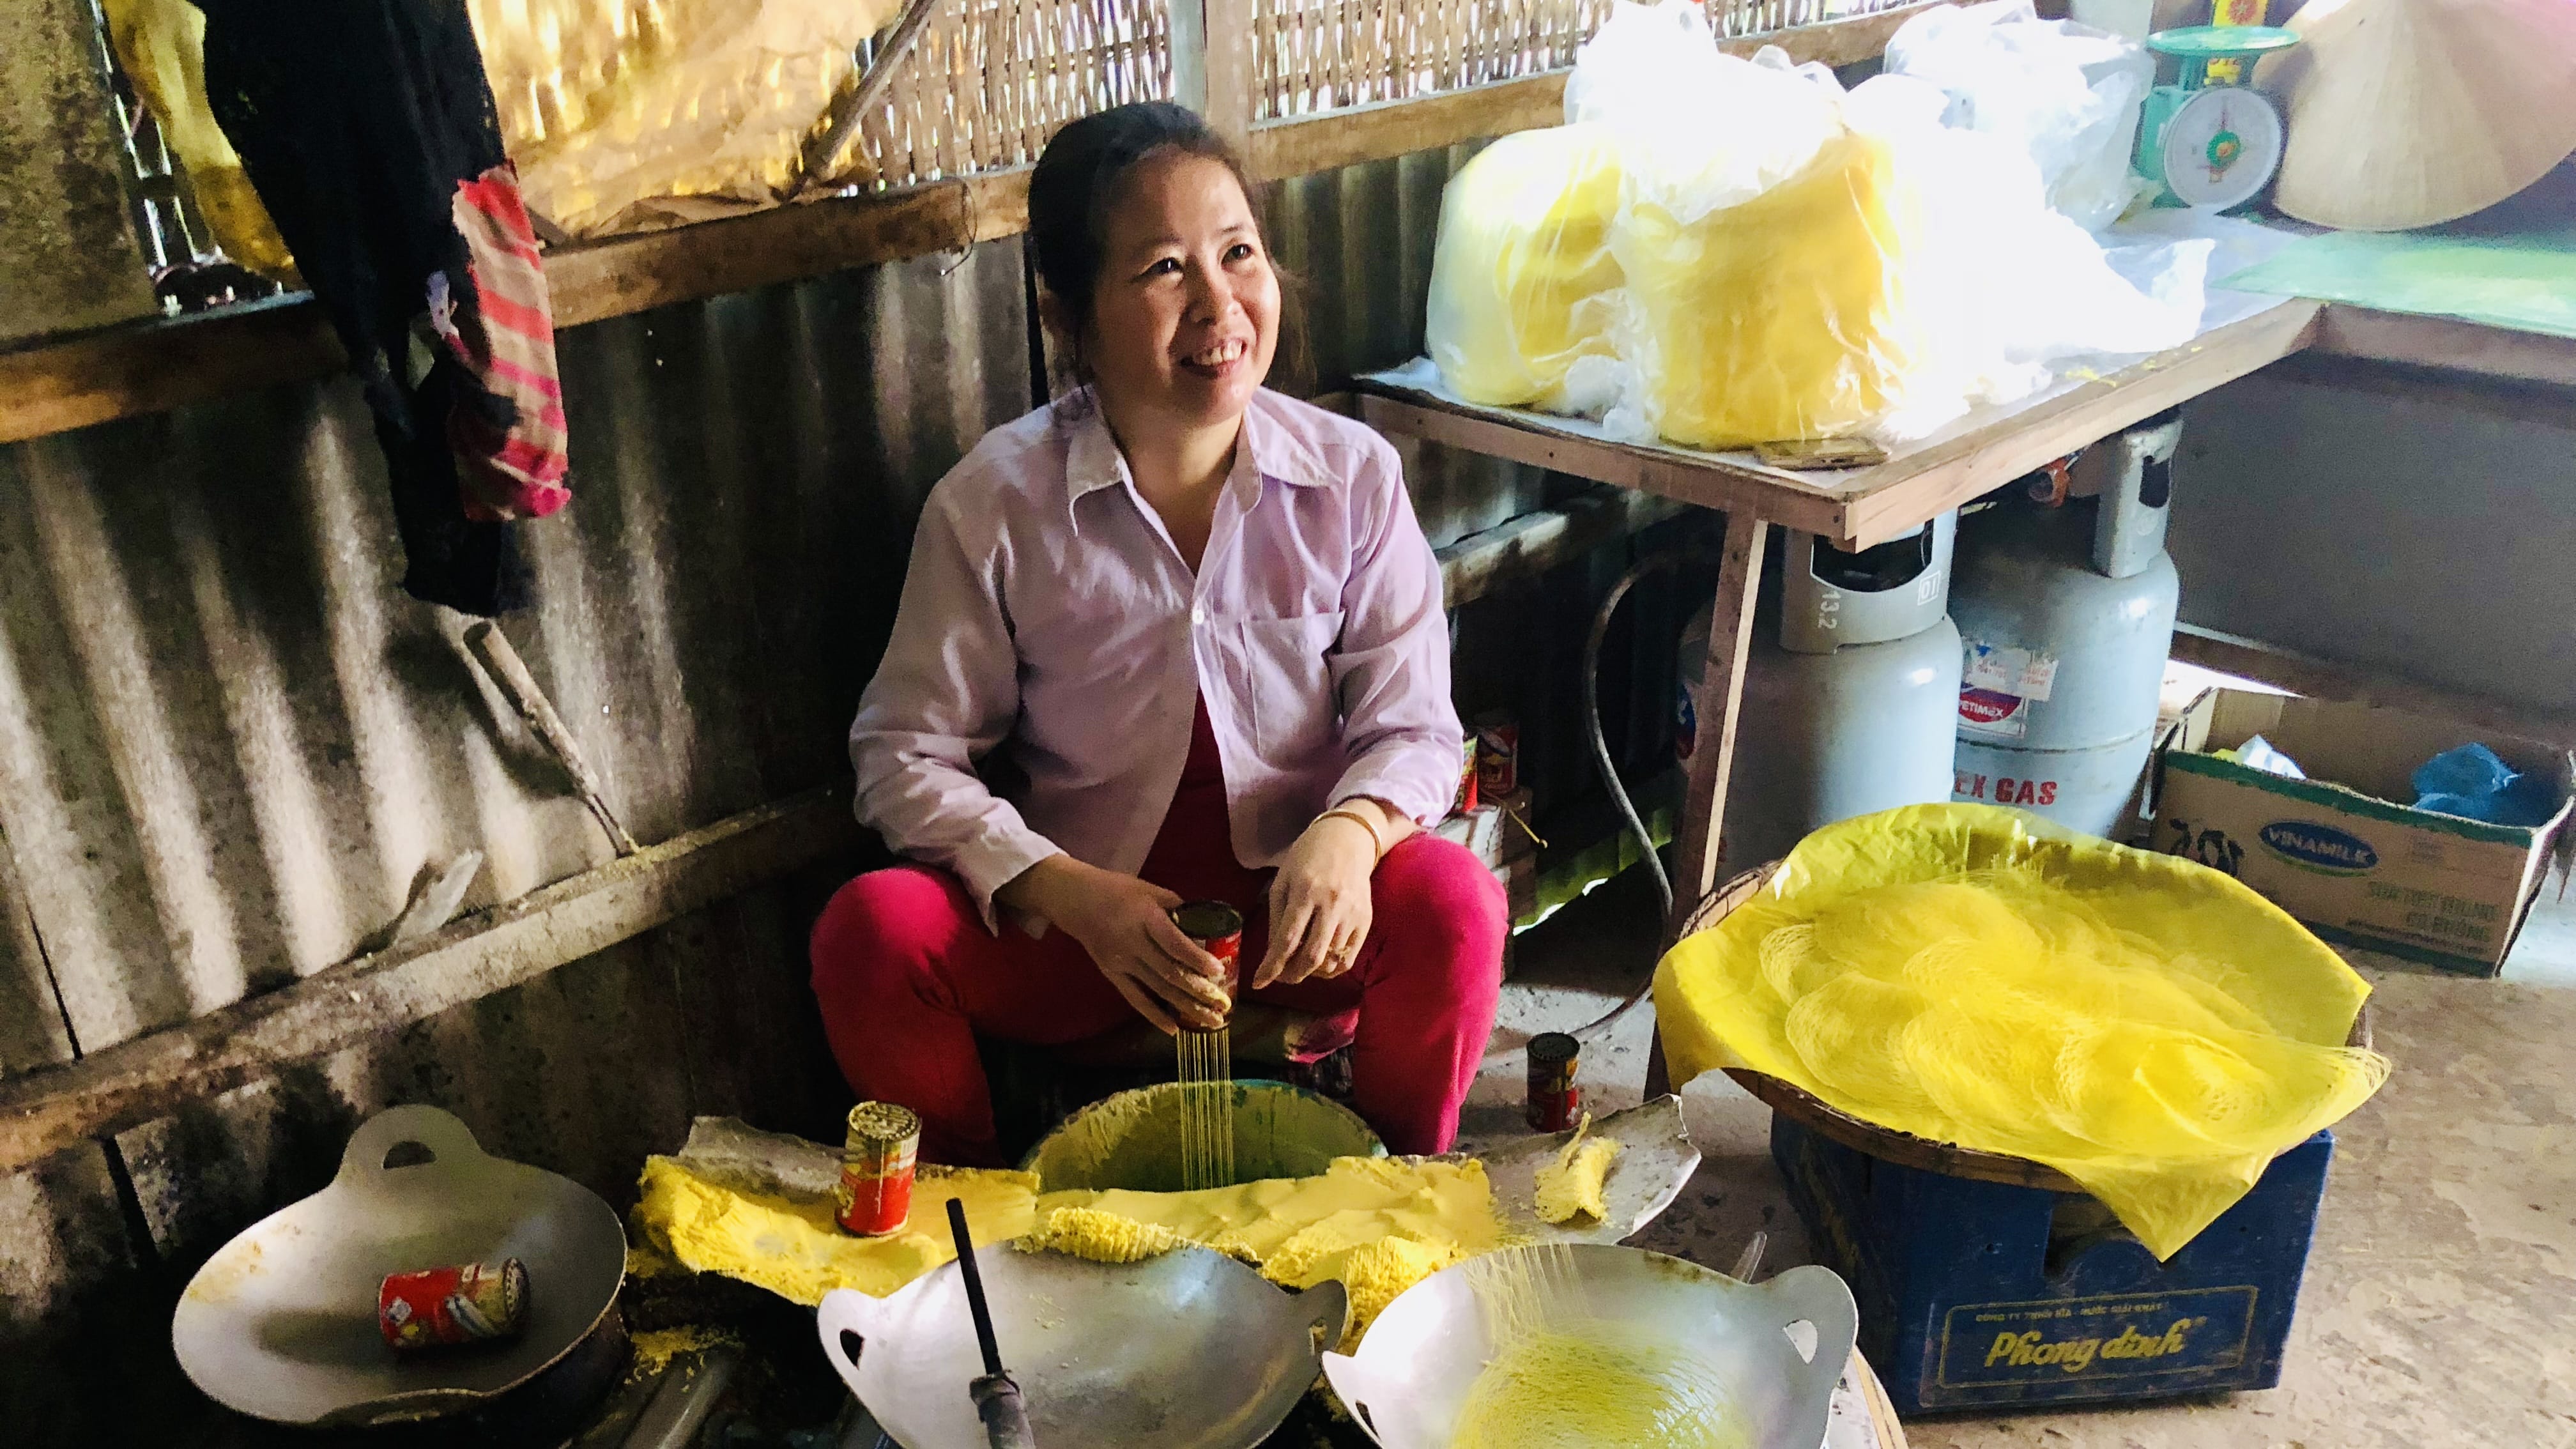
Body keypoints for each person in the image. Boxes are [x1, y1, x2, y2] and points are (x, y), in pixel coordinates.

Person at [809, 101, 1506, 1166]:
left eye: (1238, 254)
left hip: (1294, 934)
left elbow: (1414, 725)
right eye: (1164, 270)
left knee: (1457, 901)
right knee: (870, 934)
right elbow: (900, 756)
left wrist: (1352, 834)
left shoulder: (1353, 479)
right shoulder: (992, 507)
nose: (1219, 304)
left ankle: (1405, 1204)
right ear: (1071, 318)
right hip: (1088, 944)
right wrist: (1065, 892)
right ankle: (981, 1231)